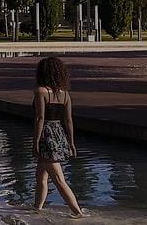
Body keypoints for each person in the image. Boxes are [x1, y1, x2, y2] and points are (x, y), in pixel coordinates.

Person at [32, 56, 87, 218]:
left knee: (58, 179)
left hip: (47, 135)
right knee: (41, 176)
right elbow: (68, 121)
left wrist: (35, 142)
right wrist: (71, 143)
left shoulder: (41, 91)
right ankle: (37, 208)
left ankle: (77, 213)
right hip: (59, 134)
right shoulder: (65, 94)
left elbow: (40, 118)